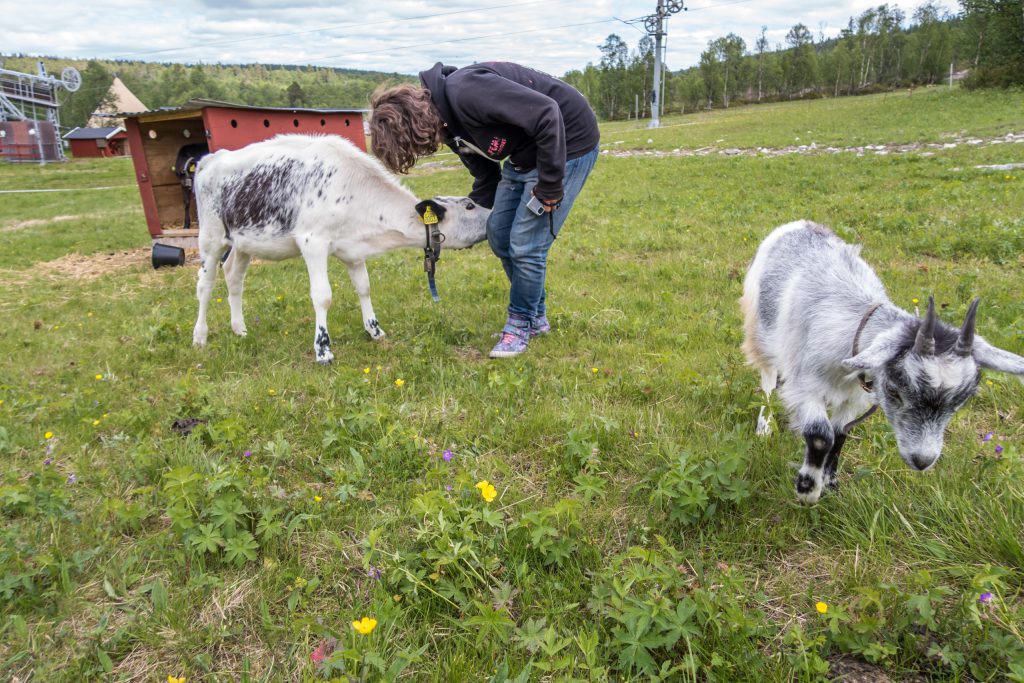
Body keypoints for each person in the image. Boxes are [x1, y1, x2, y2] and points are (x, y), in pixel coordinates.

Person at [369, 61, 600, 358]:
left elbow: (547, 113)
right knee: (499, 234)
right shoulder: (447, 123)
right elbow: (485, 172)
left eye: (412, 146)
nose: (423, 150)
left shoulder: (469, 92)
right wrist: (474, 206)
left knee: (526, 245)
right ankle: (535, 318)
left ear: (414, 125)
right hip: (525, 154)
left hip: (568, 143)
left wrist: (551, 187)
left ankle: (519, 326)